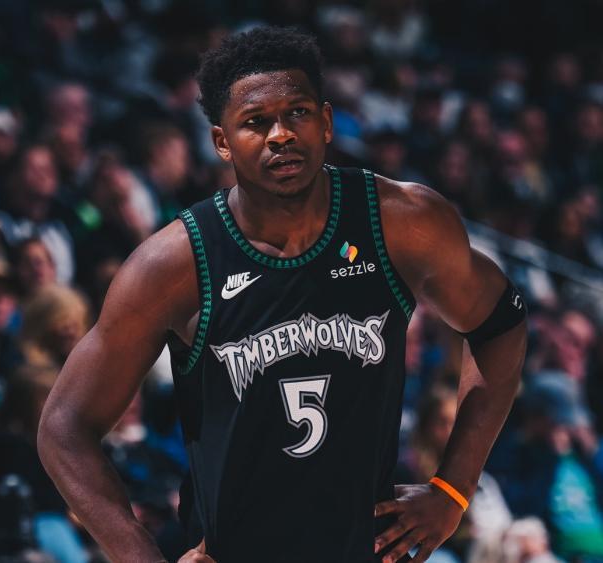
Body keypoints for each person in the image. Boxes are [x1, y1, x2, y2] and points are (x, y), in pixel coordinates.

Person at [37, 27, 527, 563]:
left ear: (327, 121)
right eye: (255, 121)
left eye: (297, 113)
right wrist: (140, 555)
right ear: (222, 141)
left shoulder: (401, 222)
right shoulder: (174, 264)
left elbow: (500, 324)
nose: (281, 134)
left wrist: (453, 489)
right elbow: (64, 427)